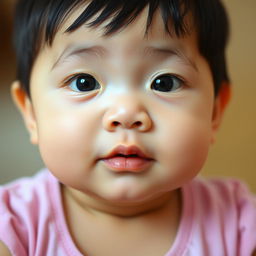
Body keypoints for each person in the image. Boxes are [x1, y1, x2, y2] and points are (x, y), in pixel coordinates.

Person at [0, 0, 256, 255]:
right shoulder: (13, 228)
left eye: (165, 83)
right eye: (84, 82)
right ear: (31, 112)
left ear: (215, 110)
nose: (126, 114)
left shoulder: (239, 226)